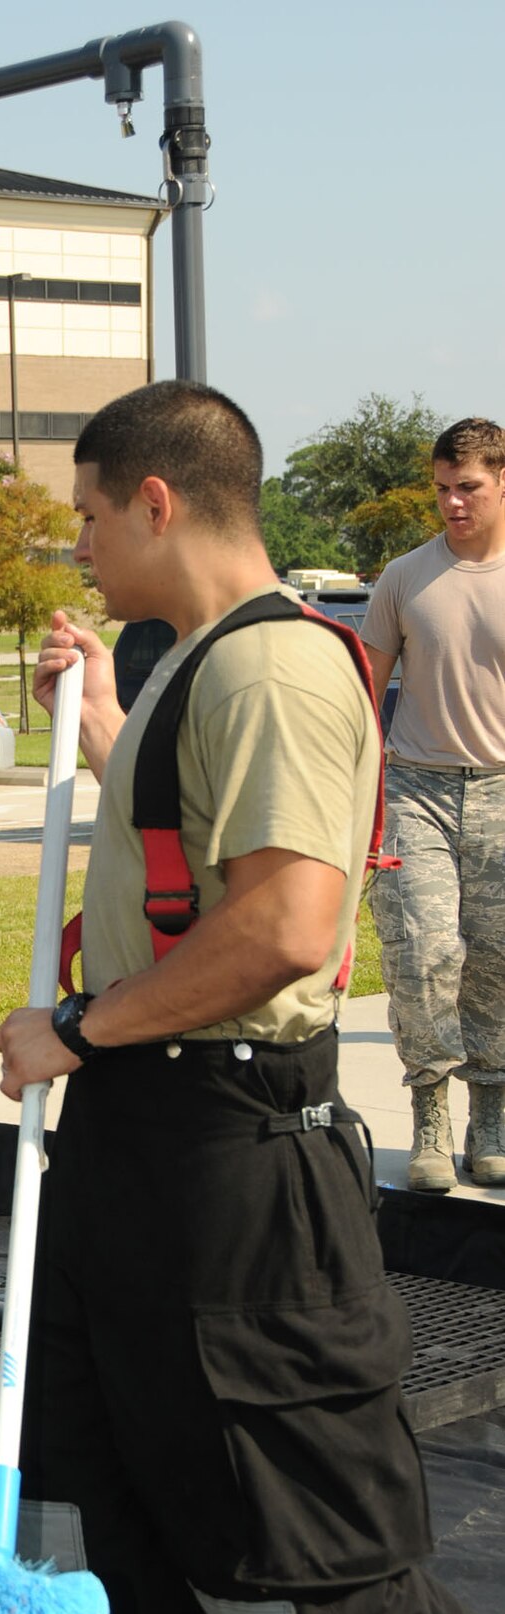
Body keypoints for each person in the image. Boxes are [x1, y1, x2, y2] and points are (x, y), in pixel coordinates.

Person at [0, 381, 505, 1614]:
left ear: (149, 501)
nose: (70, 543)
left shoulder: (272, 661)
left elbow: (274, 930)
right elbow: (189, 857)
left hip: (226, 1169)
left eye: (77, 511)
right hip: (133, 1154)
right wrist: (101, 722)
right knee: (87, 1513)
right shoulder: (197, 670)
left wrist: (68, 1023)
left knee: (294, 1544)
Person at [361, 417, 505, 1192]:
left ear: (501, 481)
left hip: (501, 791)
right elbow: (363, 694)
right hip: (413, 788)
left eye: (468, 488)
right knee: (421, 955)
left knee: (493, 962)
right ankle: (428, 1119)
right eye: (443, 489)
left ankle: (491, 1120)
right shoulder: (404, 577)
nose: (452, 504)